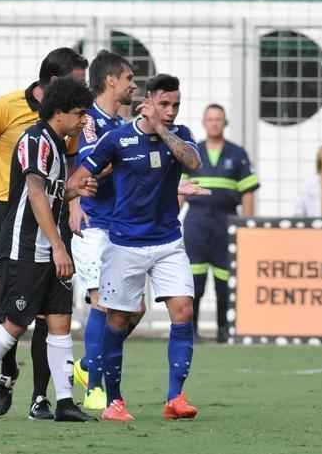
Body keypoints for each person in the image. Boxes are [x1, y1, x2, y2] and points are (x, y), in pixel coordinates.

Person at [0, 77, 98, 422]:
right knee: (16, 323)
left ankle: (64, 402)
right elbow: (34, 194)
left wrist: (72, 190)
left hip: (49, 246)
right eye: (79, 114)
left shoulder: (57, 142)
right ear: (59, 112)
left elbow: (47, 193)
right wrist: (59, 246)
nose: (82, 121)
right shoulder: (35, 140)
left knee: (60, 320)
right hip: (30, 247)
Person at [69, 73, 211, 423]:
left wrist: (162, 129)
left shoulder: (182, 137)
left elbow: (193, 163)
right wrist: (76, 194)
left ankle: (175, 397)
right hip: (124, 244)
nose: (171, 111)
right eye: (164, 104)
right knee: (118, 319)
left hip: (167, 242)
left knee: (183, 312)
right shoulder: (118, 139)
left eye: (175, 105)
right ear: (148, 102)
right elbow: (81, 174)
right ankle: (114, 401)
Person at [67, 51, 138, 411]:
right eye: (129, 79)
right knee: (102, 302)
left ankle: (86, 365)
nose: (134, 85)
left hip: (122, 227)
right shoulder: (88, 121)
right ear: (111, 80)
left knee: (134, 309)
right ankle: (95, 387)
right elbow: (89, 167)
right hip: (92, 224)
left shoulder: (125, 126)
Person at [181, 104, 258, 342]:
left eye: (219, 119)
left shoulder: (237, 154)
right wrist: (169, 220)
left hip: (226, 224)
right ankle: (191, 330)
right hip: (197, 223)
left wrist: (245, 226)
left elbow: (247, 193)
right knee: (195, 281)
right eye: (210, 119)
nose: (214, 123)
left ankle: (224, 330)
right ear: (204, 123)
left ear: (224, 123)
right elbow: (181, 191)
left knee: (226, 282)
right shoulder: (193, 153)